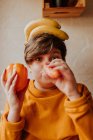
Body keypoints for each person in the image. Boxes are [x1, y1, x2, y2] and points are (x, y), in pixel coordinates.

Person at [0, 18, 93, 140]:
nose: (47, 64)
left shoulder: (79, 91)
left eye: (54, 57)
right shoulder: (18, 95)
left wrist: (72, 94)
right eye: (39, 59)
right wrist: (14, 110)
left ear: (63, 62)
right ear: (29, 66)